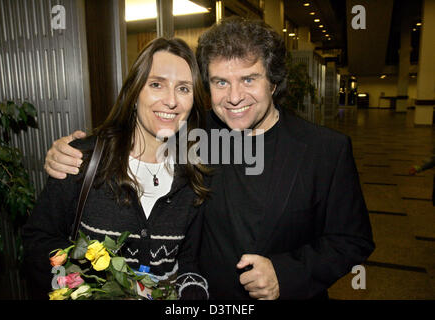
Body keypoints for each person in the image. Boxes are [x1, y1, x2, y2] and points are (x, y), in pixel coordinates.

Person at [43, 17, 375, 300]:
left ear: (273, 82)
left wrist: (285, 273)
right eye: (220, 82)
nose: (234, 97)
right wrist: (74, 150)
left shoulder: (325, 150)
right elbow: (137, 130)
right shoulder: (192, 135)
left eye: (249, 79)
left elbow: (352, 240)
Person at [22, 37, 211, 300]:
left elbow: (191, 261)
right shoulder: (83, 159)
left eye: (183, 89)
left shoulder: (194, 176)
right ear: (134, 93)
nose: (171, 101)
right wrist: (91, 285)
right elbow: (37, 241)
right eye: (156, 84)